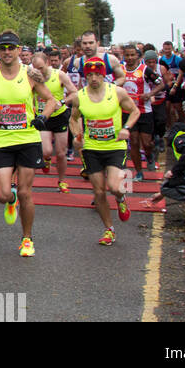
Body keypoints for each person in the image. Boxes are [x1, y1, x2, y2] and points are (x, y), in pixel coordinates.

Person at [0, 31, 57, 258]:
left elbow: (51, 99)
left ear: (19, 50)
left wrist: (43, 117)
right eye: (3, 48)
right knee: (3, 194)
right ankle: (10, 201)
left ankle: (27, 239)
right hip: (2, 140)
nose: (7, 52)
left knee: (25, 192)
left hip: (27, 140)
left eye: (11, 48)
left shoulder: (30, 74)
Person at [68, 58, 139, 246]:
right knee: (98, 192)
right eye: (89, 75)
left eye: (97, 75)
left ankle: (121, 197)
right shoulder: (79, 96)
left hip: (115, 146)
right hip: (92, 148)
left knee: (114, 187)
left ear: (103, 75)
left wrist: (127, 128)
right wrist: (77, 136)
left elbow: (135, 111)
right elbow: (73, 119)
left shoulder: (117, 92)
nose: (93, 79)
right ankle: (109, 230)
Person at [29, 50, 76, 193]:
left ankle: (61, 180)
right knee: (46, 150)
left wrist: (62, 102)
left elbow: (74, 92)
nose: (38, 72)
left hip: (59, 116)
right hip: (43, 117)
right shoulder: (32, 77)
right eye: (35, 69)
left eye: (41, 68)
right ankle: (47, 158)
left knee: (61, 153)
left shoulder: (59, 75)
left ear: (48, 63)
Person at [121, 44, 162, 178]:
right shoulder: (120, 70)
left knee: (146, 143)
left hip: (145, 111)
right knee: (133, 142)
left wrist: (150, 95)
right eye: (127, 55)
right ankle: (139, 172)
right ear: (124, 56)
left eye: (133, 55)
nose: (130, 58)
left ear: (138, 56)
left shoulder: (145, 70)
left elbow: (161, 84)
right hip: (128, 112)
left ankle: (150, 155)